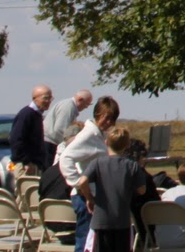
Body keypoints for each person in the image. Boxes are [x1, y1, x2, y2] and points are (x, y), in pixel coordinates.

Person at [75, 124, 153, 252]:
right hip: (122, 221)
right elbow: (142, 190)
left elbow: (82, 181)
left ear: (106, 142)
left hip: (101, 220)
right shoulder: (132, 166)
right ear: (127, 145)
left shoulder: (98, 163)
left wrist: (90, 198)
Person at [61, 95, 121, 252]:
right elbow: (66, 158)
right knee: (85, 241)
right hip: (84, 197)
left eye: (112, 119)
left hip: (94, 194)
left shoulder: (98, 135)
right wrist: (79, 184)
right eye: (106, 117)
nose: (109, 122)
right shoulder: (89, 134)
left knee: (92, 242)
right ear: (98, 114)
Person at [10, 84, 53, 176]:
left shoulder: (37, 115)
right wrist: (25, 162)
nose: (48, 101)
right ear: (35, 98)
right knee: (27, 190)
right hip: (27, 167)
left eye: (50, 98)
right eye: (45, 98)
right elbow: (16, 139)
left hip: (35, 165)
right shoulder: (26, 114)